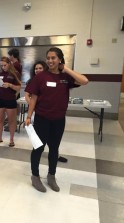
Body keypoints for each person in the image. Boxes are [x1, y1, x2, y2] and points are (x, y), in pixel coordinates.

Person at [24, 47, 88, 193]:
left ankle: (51, 176)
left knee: (54, 149)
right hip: (42, 119)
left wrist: (65, 68)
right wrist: (28, 116)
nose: (50, 61)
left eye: (53, 58)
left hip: (58, 120)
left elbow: (84, 81)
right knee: (38, 148)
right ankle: (35, 177)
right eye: (48, 58)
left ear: (59, 59)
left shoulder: (65, 77)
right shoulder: (40, 77)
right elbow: (33, 98)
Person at [25, 61, 68, 163]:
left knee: (53, 141)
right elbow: (28, 95)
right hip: (39, 114)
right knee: (40, 141)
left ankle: (55, 155)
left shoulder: (50, 78)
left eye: (40, 68)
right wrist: (33, 106)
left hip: (53, 115)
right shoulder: (32, 80)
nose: (38, 70)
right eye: (36, 68)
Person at [0, 56, 21, 147]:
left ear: (9, 64)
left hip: (10, 100)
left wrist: (9, 85)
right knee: (0, 120)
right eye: (1, 65)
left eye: (4, 65)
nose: (3, 67)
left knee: (11, 121)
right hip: (0, 98)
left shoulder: (14, 74)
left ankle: (11, 140)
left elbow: (19, 87)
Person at [4, 48, 23, 131]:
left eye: (9, 55)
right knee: (15, 105)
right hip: (15, 88)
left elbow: (15, 78)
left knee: (12, 106)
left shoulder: (15, 65)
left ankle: (13, 124)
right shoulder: (17, 64)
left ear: (12, 55)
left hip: (14, 88)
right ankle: (15, 121)